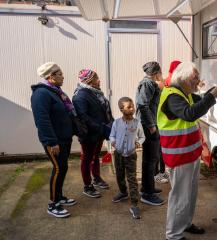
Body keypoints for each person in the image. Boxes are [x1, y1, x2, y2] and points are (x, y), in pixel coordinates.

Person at [157, 62, 217, 240]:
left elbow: (202, 99)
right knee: (180, 197)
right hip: (179, 155)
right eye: (195, 77)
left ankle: (185, 224)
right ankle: (173, 235)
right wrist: (212, 96)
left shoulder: (184, 93)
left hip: (189, 154)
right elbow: (190, 113)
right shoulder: (173, 96)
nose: (198, 80)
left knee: (189, 194)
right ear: (183, 78)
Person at [31, 62, 76, 218]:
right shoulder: (41, 94)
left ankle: (59, 196)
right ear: (51, 77)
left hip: (64, 138)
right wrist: (51, 142)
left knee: (62, 168)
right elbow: (42, 120)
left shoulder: (55, 91)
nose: (63, 76)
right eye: (60, 74)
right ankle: (53, 203)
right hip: (54, 141)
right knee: (58, 169)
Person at [73, 69, 114, 198]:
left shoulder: (95, 93)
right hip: (89, 134)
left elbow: (103, 111)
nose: (99, 80)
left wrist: (109, 125)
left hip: (99, 132)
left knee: (95, 156)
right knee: (87, 159)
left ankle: (96, 178)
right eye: (96, 79)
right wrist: (100, 127)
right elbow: (83, 117)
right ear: (89, 81)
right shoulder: (80, 95)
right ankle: (87, 186)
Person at [109, 97, 145, 219]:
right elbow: (112, 135)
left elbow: (142, 136)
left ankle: (134, 204)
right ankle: (123, 192)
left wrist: (139, 143)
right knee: (119, 175)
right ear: (121, 109)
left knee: (132, 178)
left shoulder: (137, 123)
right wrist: (113, 142)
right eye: (129, 107)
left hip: (131, 155)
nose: (132, 108)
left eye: (133, 106)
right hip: (118, 154)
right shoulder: (116, 122)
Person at [135, 61, 165, 206]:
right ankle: (147, 194)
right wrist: (151, 125)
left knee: (150, 158)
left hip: (150, 124)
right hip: (148, 126)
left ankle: (148, 187)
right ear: (156, 73)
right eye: (160, 72)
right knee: (151, 159)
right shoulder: (147, 84)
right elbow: (142, 104)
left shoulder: (150, 83)